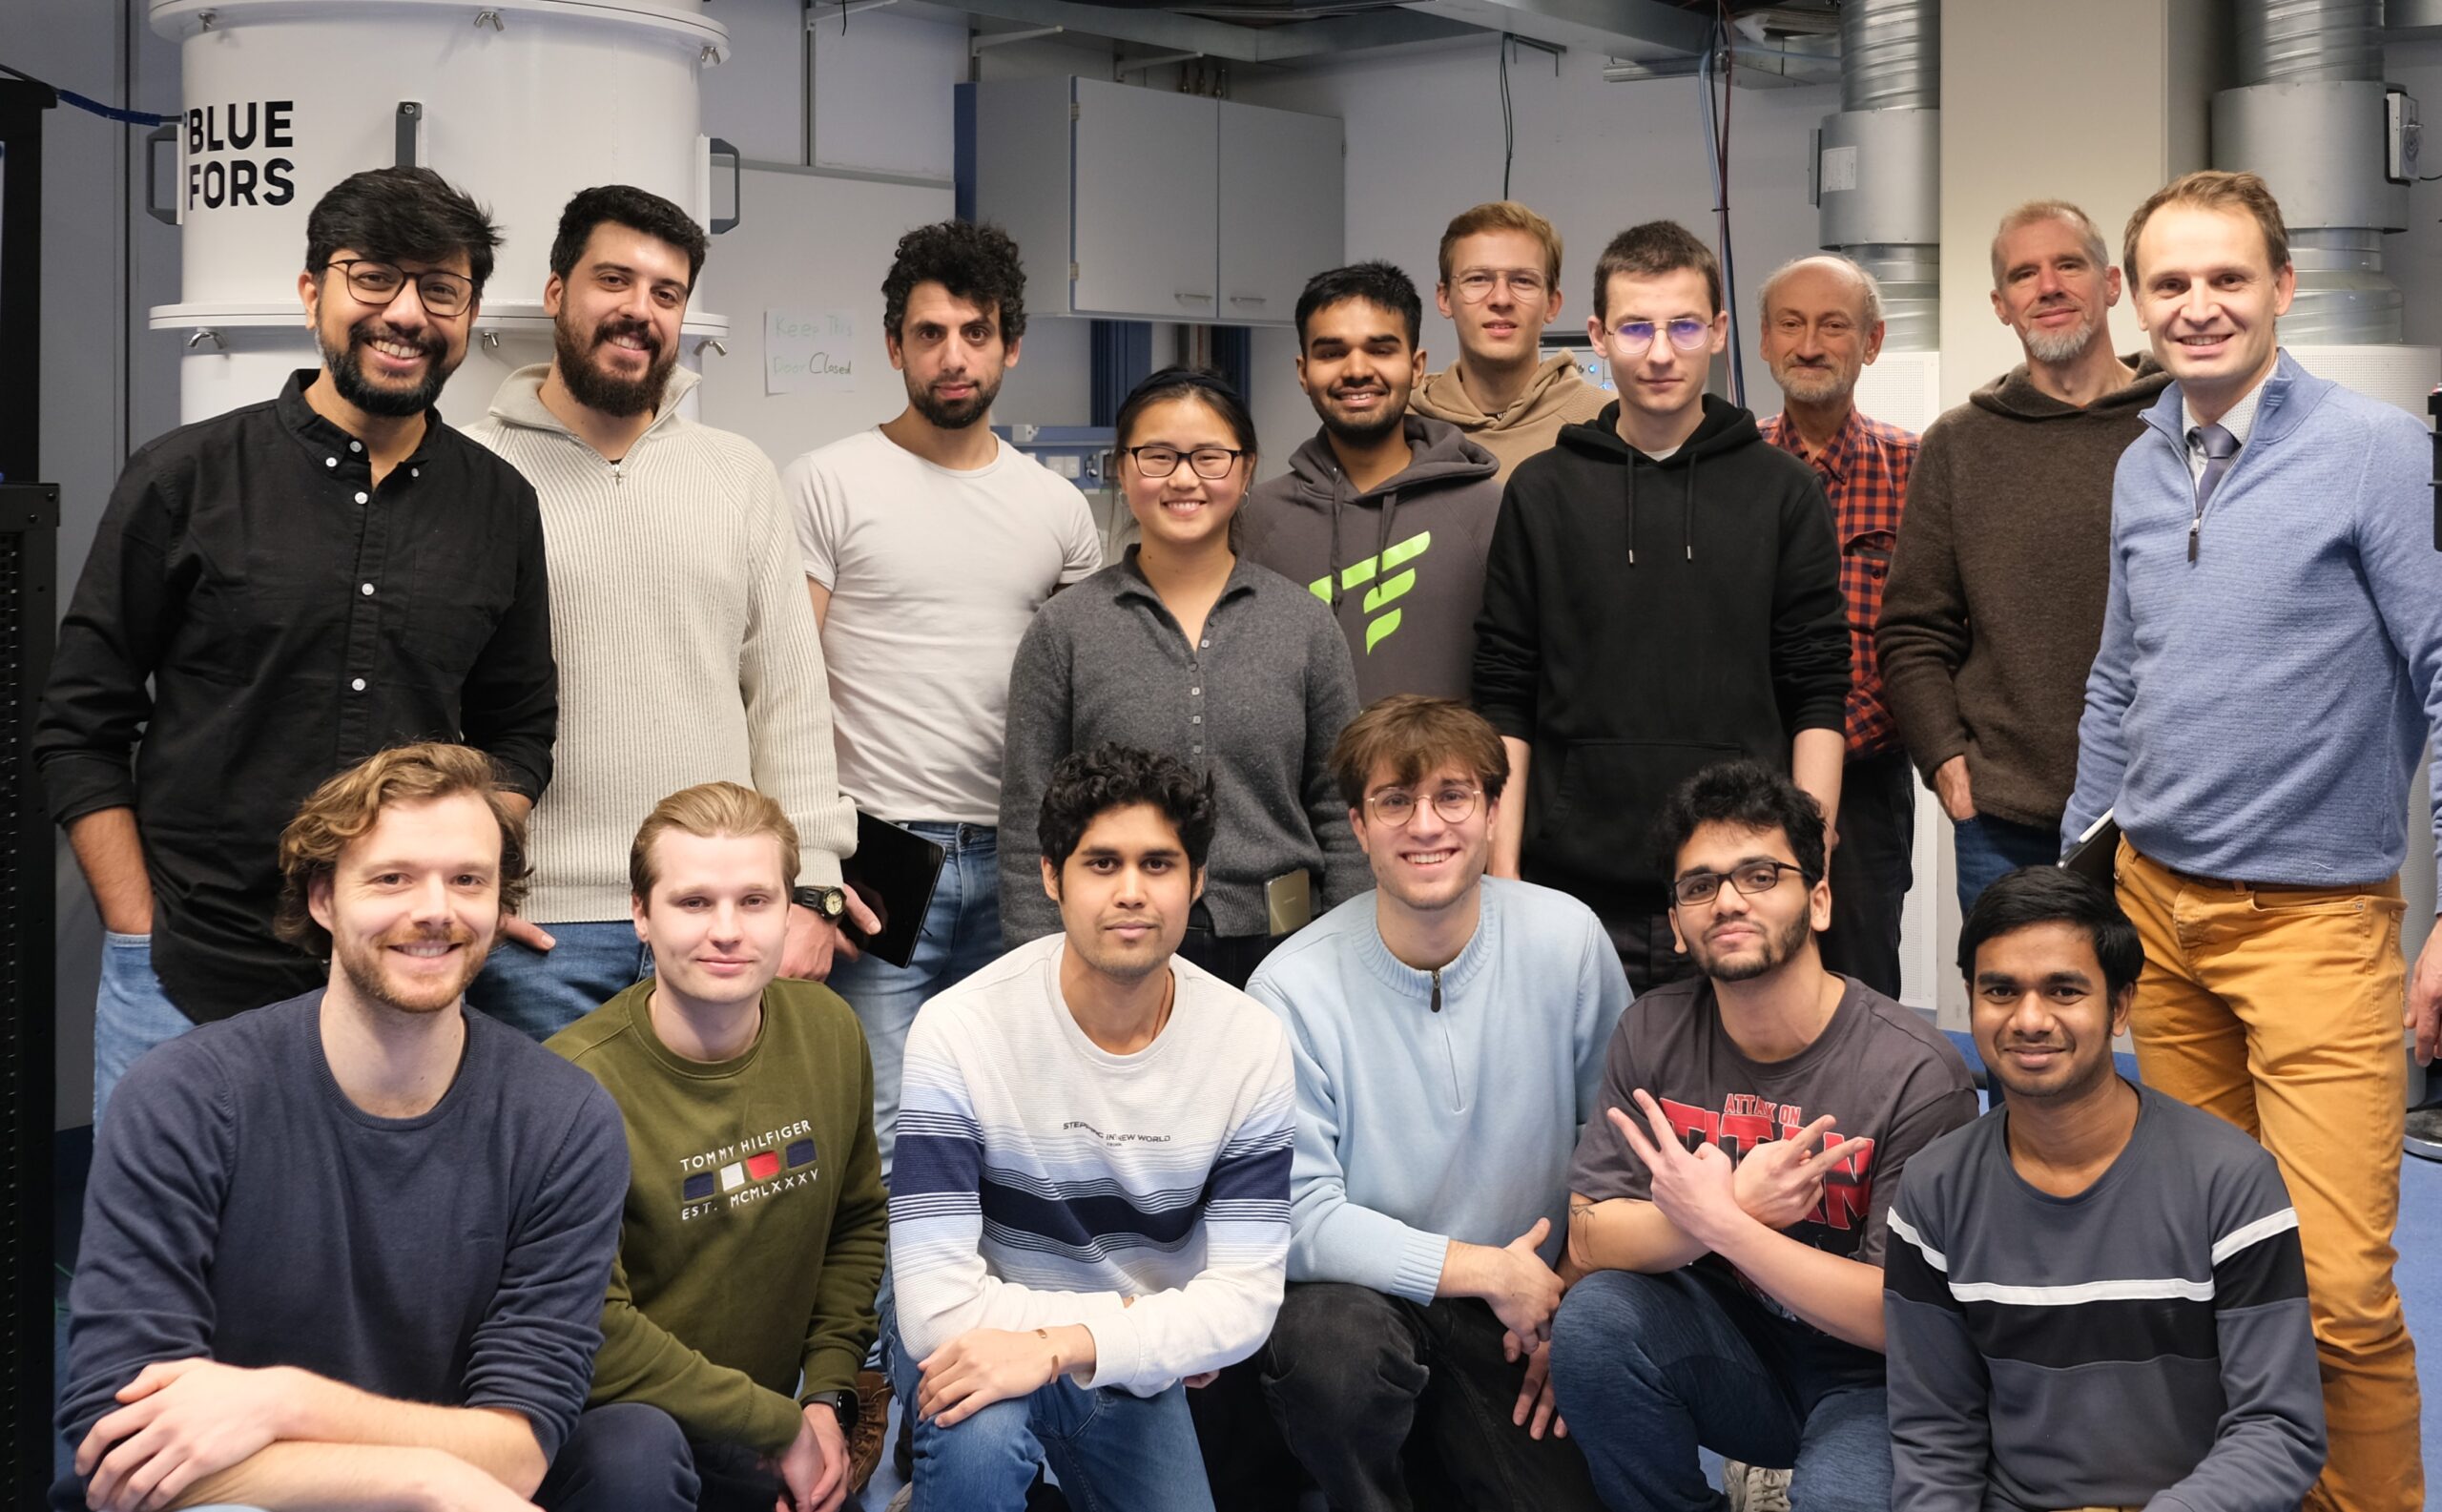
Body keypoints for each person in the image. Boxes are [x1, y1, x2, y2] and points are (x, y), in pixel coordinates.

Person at [2067, 169, 2442, 1512]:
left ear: (2282, 285)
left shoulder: (2375, 449)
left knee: (2335, 1291)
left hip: (2316, 928)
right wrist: (2070, 887)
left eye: (2227, 277)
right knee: (2212, 1272)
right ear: (2135, 302)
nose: (2199, 305)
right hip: (2157, 916)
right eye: (2169, 282)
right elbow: (2120, 680)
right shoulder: (2139, 460)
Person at [35, 166, 556, 1121]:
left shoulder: (501, 506)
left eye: (439, 289)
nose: (406, 313)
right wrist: (136, 928)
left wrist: (452, 882)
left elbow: (519, 732)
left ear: (470, 313)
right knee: (169, 1223)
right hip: (184, 977)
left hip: (403, 983)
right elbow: (79, 727)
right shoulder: (183, 478)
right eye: (373, 278)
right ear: (313, 290)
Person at [53, 743, 627, 1512]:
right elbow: (118, 1443)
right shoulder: (184, 1096)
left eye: (468, 879)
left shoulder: (564, 1118)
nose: (435, 909)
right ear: (323, 898)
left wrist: (286, 1401)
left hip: (449, 1496)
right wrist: (428, 1477)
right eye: (392, 878)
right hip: (255, 1504)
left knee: (636, 1447)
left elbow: (518, 1450)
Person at [464, 185, 869, 1040]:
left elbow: (788, 699)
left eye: (666, 292)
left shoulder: (739, 472)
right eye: (613, 280)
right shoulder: (470, 468)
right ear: (555, 292)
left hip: (716, 916)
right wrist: (462, 887)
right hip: (539, 932)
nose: (639, 310)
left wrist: (812, 888)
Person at [1548, 759, 1976, 1512]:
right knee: (1594, 1322)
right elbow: (1589, 1236)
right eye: (1699, 885)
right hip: (1729, 1343)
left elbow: (1898, 1316)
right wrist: (1734, 1208)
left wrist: (1725, 1222)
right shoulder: (1651, 1031)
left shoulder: (1916, 1071)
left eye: (1760, 874)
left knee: (1842, 1498)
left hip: (1870, 1376)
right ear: (1676, 925)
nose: (1727, 900)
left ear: (1819, 899)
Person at [886, 743, 1294, 1512]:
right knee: (980, 1434)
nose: (1131, 891)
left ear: (1197, 880)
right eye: (1102, 863)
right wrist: (1160, 1331)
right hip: (993, 1326)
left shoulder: (1250, 1042)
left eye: (1158, 864)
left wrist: (1070, 1345)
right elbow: (937, 1309)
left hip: (1115, 1351)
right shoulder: (960, 1028)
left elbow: (1244, 1303)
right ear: (1052, 876)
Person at [782, 218, 1102, 1178]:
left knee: (1003, 1124)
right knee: (881, 1136)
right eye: (929, 333)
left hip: (1015, 856)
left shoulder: (1058, 509)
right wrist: (807, 871)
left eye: (975, 332)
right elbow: (786, 685)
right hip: (879, 853)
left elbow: (1082, 694)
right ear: (895, 346)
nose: (952, 356)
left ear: (1011, 345)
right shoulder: (827, 482)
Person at [1247, 694, 1620, 1512]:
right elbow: (1296, 1218)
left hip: (1527, 1314)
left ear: (1493, 811)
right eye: (1394, 800)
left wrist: (1572, 1303)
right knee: (1329, 1351)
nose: (1425, 825)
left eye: (1452, 796)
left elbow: (1617, 1157)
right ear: (1358, 825)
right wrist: (1483, 1268)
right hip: (1368, 1304)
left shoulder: (1570, 941)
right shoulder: (1289, 988)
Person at [1473, 220, 1850, 994]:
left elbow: (1816, 686)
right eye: (1636, 328)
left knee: (1732, 1076)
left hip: (1736, 885)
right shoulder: (1541, 492)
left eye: (1683, 326)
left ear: (1718, 331)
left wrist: (1803, 861)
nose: (1660, 353)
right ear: (1597, 336)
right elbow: (1506, 691)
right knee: (1578, 1081)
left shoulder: (1785, 491)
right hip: (1568, 888)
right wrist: (1503, 873)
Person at [1884, 865, 2326, 1511]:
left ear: (2119, 1007)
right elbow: (1934, 1433)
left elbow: (2279, 1427)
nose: (2029, 1019)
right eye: (2000, 990)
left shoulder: (2230, 1179)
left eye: (2064, 991)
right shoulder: (1934, 1189)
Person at [539, 783, 888, 1512]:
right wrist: (779, 1423)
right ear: (641, 913)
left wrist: (826, 1398)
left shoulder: (828, 1029)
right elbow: (592, 1327)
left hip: (768, 1432)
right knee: (636, 1451)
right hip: (617, 1437)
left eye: (754, 900)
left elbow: (855, 1224)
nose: (726, 930)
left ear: (789, 910)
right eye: (694, 901)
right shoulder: (567, 1084)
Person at [1001, 367, 1366, 989]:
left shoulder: (1304, 624)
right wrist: (1037, 968)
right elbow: (1028, 813)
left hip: (1286, 948)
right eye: (1158, 456)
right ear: (1122, 469)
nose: (1184, 478)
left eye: (1209, 457)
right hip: (1115, 946)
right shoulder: (1065, 629)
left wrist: (1348, 949)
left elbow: (1341, 806)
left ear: (1246, 471)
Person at [1876, 199, 2169, 914]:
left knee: (2158, 994)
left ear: (2111, 284)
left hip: (2167, 805)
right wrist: (1945, 762)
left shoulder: (2179, 421)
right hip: (2005, 820)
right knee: (2017, 991)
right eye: (2024, 274)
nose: (2049, 286)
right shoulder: (1959, 444)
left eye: (2068, 265)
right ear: (2001, 305)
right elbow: (1913, 629)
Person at [1753, 254, 1917, 1000]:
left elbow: (1930, 633)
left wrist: (1832, 750)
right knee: (1743, 971)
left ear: (1872, 342)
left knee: (1860, 983)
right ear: (1764, 340)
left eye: (1833, 326)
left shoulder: (1916, 468)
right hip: (1746, 773)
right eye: (1791, 324)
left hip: (1868, 783)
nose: (1810, 344)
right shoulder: (1733, 470)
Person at [1241, 263, 1502, 706]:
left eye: (1380, 350)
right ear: (1303, 372)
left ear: (1416, 367)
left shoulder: (1487, 511)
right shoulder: (1255, 519)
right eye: (1331, 353)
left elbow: (1518, 677)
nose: (1357, 370)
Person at [1410, 201, 1609, 481]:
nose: (1501, 299)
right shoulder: (1400, 425)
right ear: (1444, 299)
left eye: (1523, 281)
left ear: (1552, 304)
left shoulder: (1609, 422)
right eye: (1478, 279)